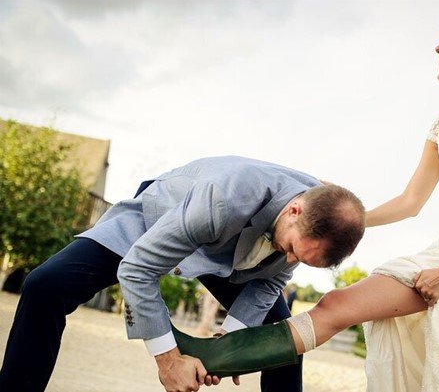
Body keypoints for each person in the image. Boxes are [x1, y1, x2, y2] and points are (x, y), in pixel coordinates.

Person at [172, 2, 439, 390]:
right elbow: (410, 202)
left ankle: (221, 354)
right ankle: (217, 353)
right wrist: (348, 212)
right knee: (337, 304)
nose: (438, 48)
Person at [0, 155, 366, 392]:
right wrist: (169, 361)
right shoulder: (224, 198)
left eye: (299, 259)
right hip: (159, 221)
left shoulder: (316, 219)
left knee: (284, 340)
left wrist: (229, 349)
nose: (289, 260)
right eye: (290, 249)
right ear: (295, 211)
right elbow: (139, 269)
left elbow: (269, 280)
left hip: (231, 254)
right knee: (44, 286)